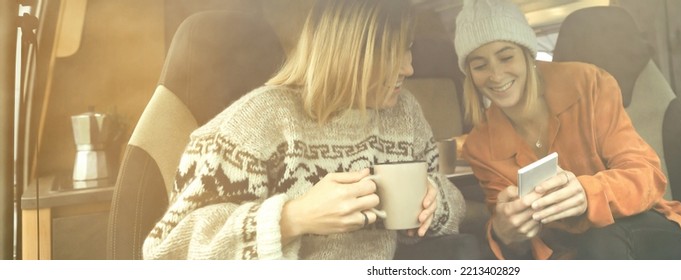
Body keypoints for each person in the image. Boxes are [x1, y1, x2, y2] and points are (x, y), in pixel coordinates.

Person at [142, 0, 465, 260]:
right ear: (345, 53)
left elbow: (443, 190)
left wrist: (434, 203)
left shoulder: (405, 114)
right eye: (391, 53)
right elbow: (167, 252)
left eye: (407, 48)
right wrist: (292, 218)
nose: (408, 68)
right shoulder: (259, 121)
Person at [455, 0, 681, 259]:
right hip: (569, 255)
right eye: (480, 65)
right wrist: (504, 231)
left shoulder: (589, 84)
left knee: (602, 238)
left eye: (506, 57)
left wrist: (588, 194)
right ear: (470, 74)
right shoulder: (479, 146)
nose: (495, 75)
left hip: (643, 231)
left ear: (527, 54)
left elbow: (647, 175)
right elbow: (518, 241)